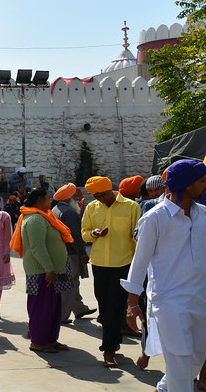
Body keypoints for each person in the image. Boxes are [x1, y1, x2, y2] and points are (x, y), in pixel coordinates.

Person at [121, 159, 206, 391]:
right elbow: (139, 263)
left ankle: (165, 388)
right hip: (169, 304)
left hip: (201, 301)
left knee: (196, 358)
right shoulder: (154, 218)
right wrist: (132, 304)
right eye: (202, 181)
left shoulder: (203, 215)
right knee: (180, 362)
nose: (205, 184)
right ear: (187, 185)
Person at [81, 175, 141, 367]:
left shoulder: (131, 207)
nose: (100, 199)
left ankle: (108, 350)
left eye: (103, 195)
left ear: (111, 190)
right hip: (99, 264)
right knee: (104, 308)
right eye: (96, 196)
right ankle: (113, 342)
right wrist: (94, 233)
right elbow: (84, 233)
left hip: (123, 263)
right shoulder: (92, 208)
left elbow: (137, 237)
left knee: (115, 307)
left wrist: (140, 264)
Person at [11, 187, 72, 354]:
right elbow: (38, 248)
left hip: (51, 270)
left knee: (52, 307)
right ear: (38, 200)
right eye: (48, 198)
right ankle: (38, 341)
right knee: (41, 307)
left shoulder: (45, 217)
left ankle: (50, 339)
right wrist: (49, 269)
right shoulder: (35, 220)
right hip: (42, 271)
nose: (50, 200)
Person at [50, 183, 95, 323]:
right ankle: (62, 316)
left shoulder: (55, 210)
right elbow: (75, 236)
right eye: (75, 197)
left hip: (60, 252)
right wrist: (82, 253)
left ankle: (79, 308)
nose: (77, 199)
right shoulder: (69, 213)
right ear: (70, 198)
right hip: (70, 253)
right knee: (69, 284)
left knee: (72, 283)